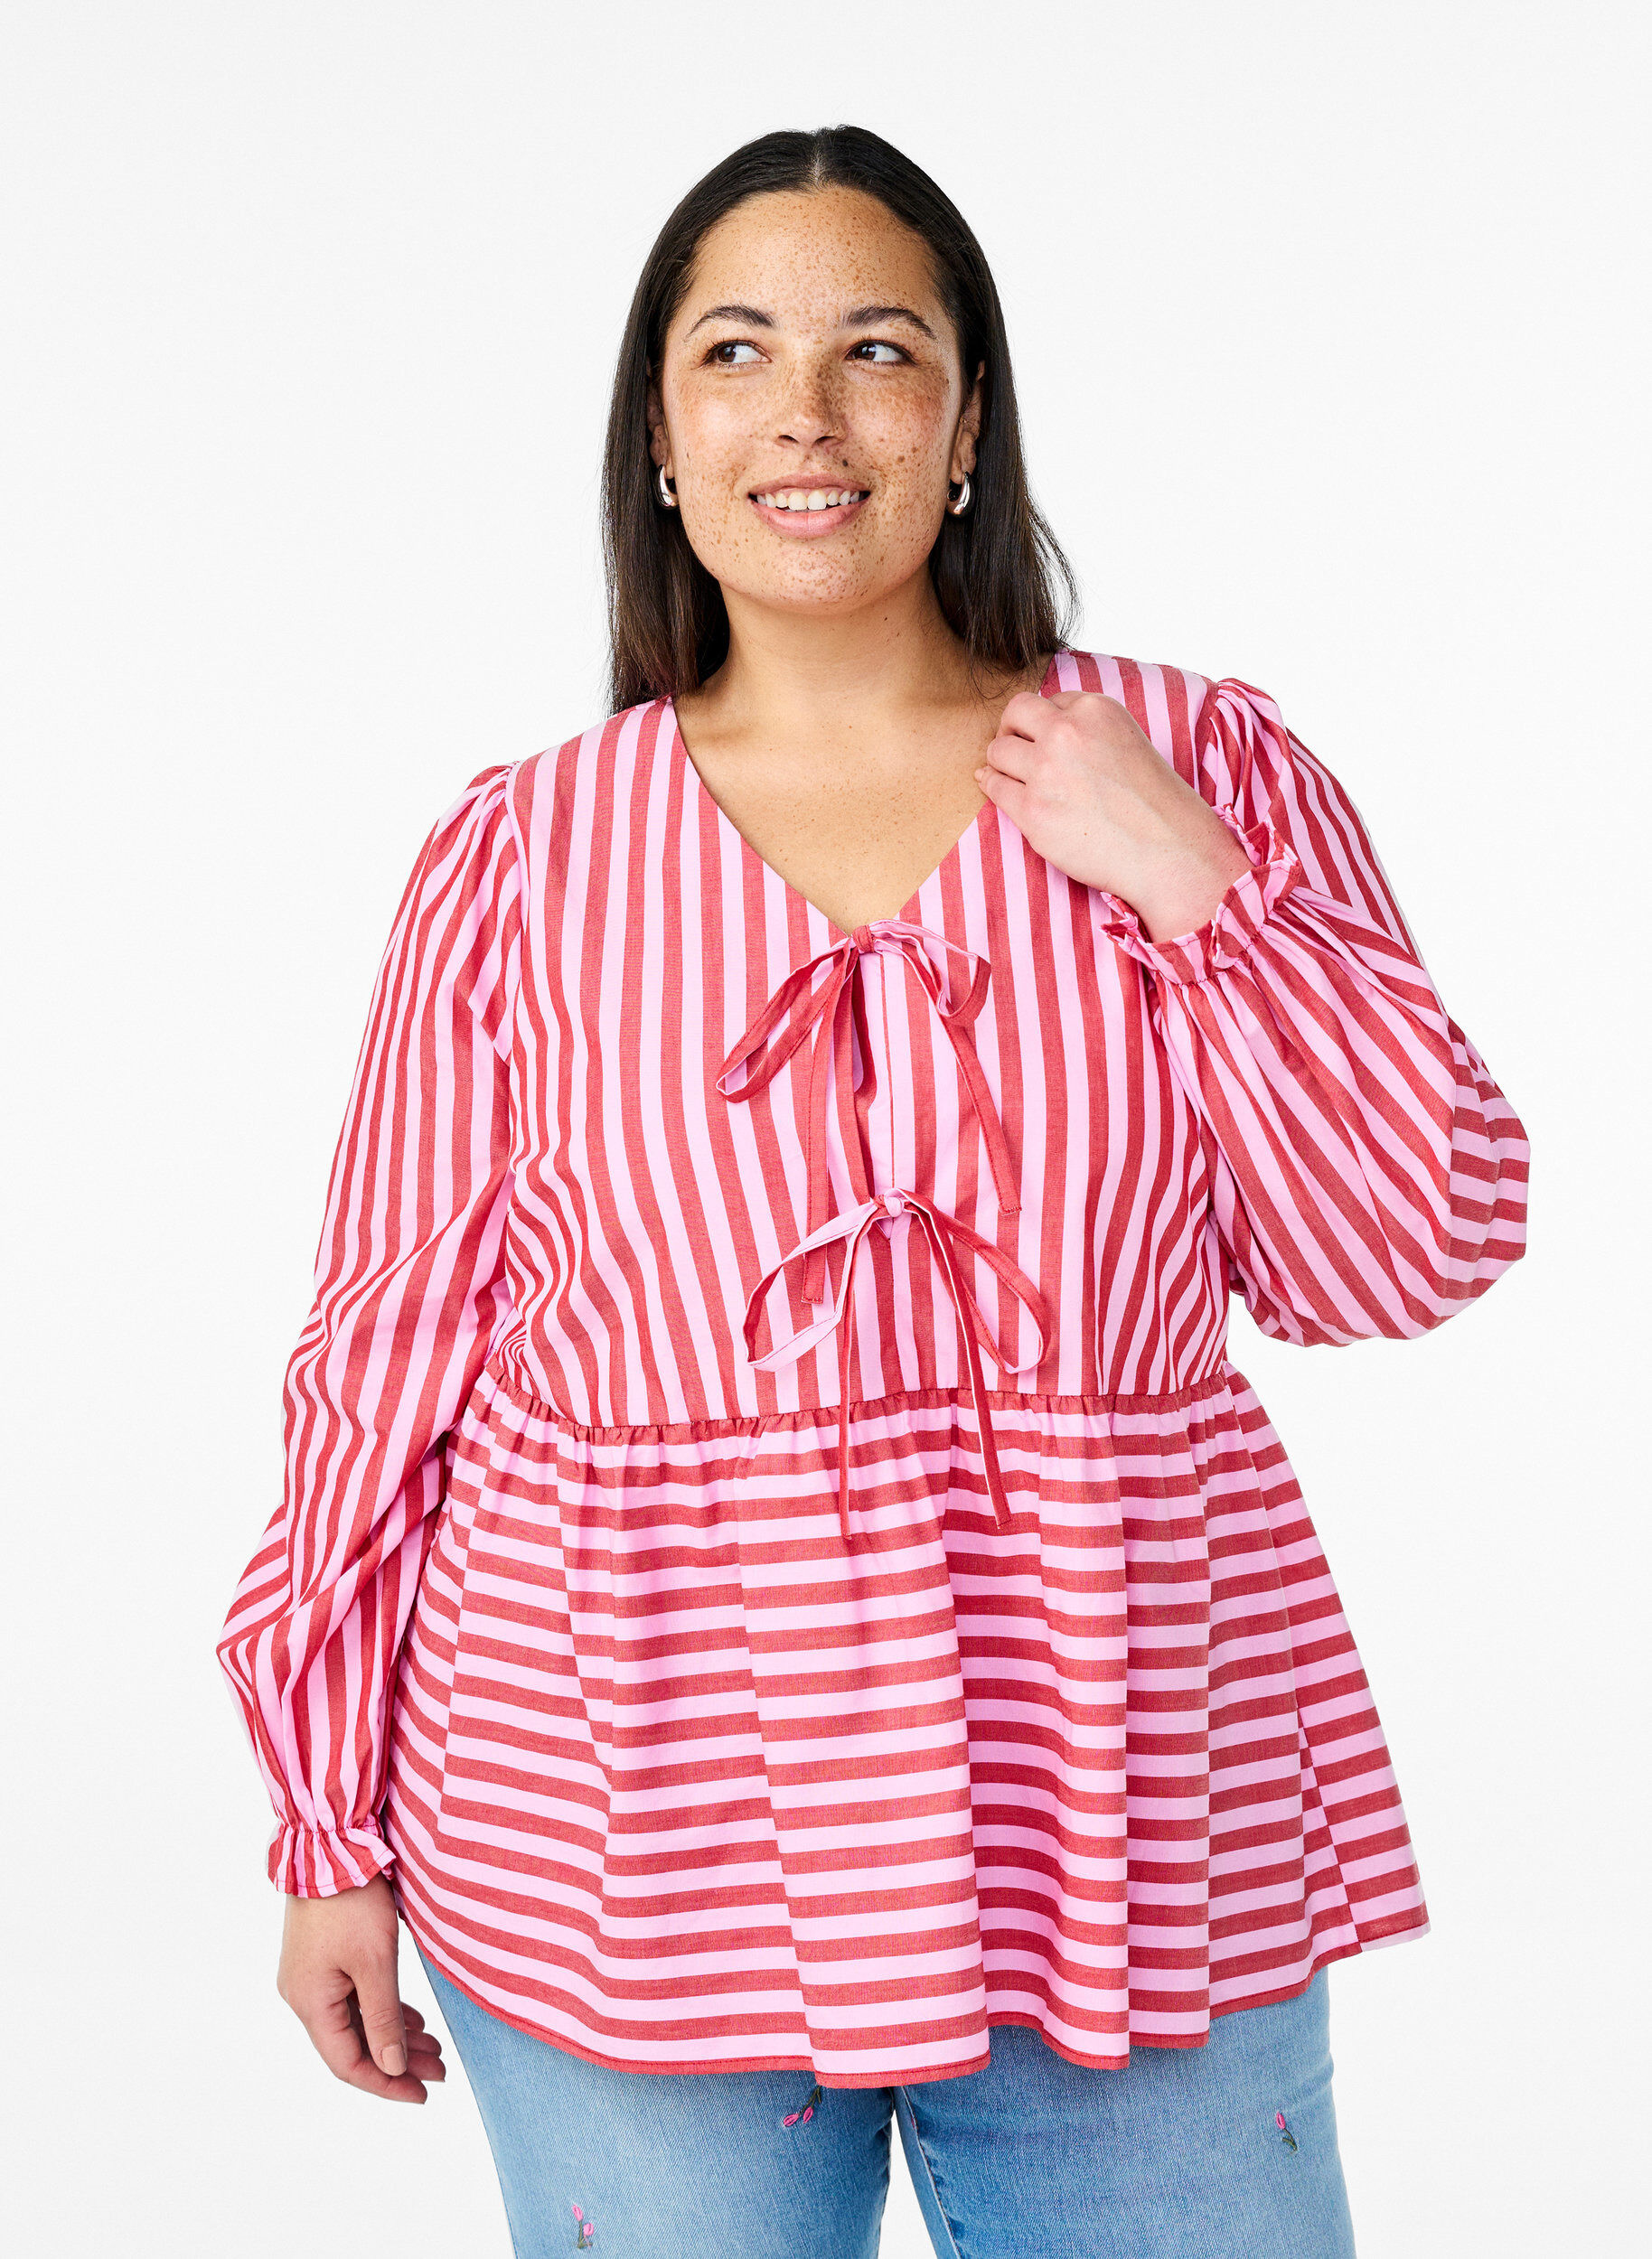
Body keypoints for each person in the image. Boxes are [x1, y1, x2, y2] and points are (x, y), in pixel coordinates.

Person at [216, 125, 1530, 2259]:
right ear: (660, 430)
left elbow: (1408, 1244)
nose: (802, 416)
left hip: (1123, 1803)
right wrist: (320, 1822)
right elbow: (383, 1359)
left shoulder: (1198, 764)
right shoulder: (520, 853)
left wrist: (1192, 887)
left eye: (875, 350)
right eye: (733, 351)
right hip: (621, 1819)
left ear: (966, 419)